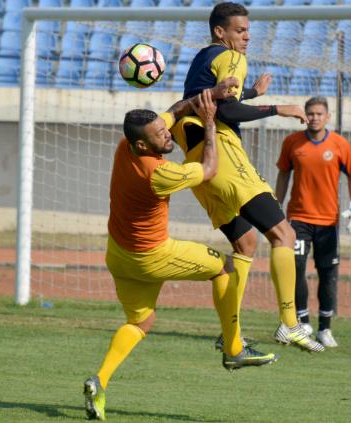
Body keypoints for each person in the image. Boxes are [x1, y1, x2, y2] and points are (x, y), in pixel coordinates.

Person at [83, 86, 277, 421]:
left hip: (119, 255)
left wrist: (204, 96)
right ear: (143, 145)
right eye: (160, 134)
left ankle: (99, 382)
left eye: (163, 127)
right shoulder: (160, 173)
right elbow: (210, 169)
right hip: (153, 255)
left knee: (141, 321)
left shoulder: (124, 146)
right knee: (225, 268)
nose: (166, 132)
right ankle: (233, 349)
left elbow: (173, 111)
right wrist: (210, 124)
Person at [170, 1, 324, 353]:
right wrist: (278, 108)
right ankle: (290, 324)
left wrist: (253, 92)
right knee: (283, 234)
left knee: (246, 244)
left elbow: (206, 97)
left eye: (248, 31)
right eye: (240, 31)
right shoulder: (232, 58)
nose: (247, 37)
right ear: (220, 32)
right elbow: (226, 108)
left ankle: (231, 334)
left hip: (198, 162)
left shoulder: (202, 58)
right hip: (221, 154)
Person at [275, 96, 351, 348]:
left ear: (327, 117)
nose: (314, 118)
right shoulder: (292, 142)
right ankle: (302, 323)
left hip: (328, 222)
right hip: (298, 219)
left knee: (327, 274)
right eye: (310, 114)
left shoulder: (339, 144)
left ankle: (325, 328)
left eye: (318, 114)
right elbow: (283, 175)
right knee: (296, 269)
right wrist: (275, 208)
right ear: (305, 116)